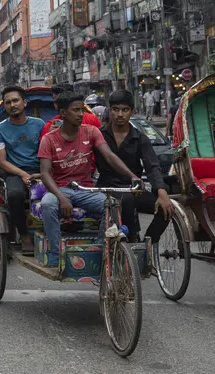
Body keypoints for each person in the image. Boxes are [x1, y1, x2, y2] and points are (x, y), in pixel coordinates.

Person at [37, 93, 140, 269]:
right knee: (47, 204)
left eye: (81, 110)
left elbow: (109, 155)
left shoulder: (91, 131)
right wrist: (61, 197)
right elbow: (45, 173)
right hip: (60, 189)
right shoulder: (49, 139)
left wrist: (133, 176)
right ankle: (56, 255)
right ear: (63, 112)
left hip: (85, 190)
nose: (80, 114)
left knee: (113, 205)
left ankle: (100, 251)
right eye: (75, 110)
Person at [96, 90, 171, 247]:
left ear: (132, 111)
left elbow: (152, 166)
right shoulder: (99, 136)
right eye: (116, 109)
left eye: (125, 110)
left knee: (166, 210)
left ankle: (147, 246)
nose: (120, 114)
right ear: (110, 111)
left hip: (133, 188)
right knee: (128, 200)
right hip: (106, 189)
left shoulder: (140, 138)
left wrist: (161, 191)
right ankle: (130, 241)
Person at [0, 85, 45, 254]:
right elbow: (2, 161)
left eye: (16, 100)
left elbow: (47, 153)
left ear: (24, 103)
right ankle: (24, 235)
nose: (12, 105)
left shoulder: (39, 124)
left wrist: (41, 173)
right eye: (8, 102)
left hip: (39, 168)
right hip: (14, 170)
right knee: (14, 195)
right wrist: (23, 175)